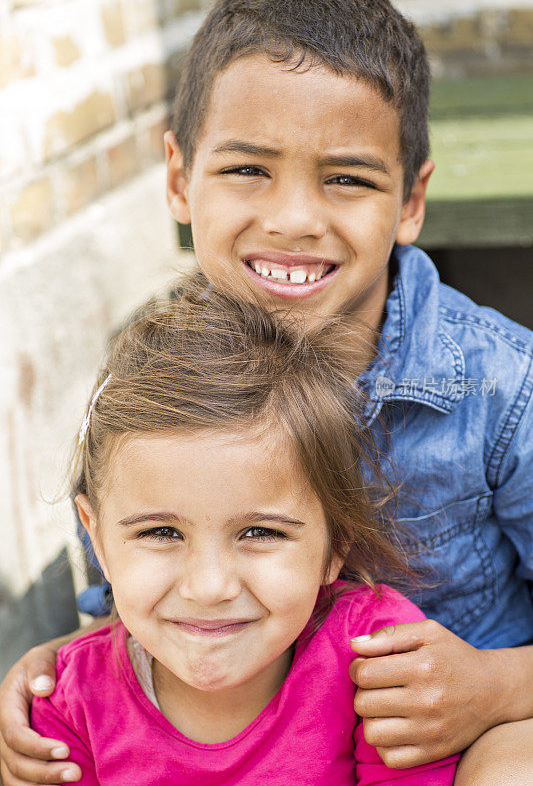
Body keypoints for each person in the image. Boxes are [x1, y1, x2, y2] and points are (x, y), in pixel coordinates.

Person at [1, 0, 532, 784]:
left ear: (410, 201)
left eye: (346, 180)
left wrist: (495, 687)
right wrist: (50, 670)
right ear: (179, 179)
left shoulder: (500, 388)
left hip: (455, 739)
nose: (291, 219)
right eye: (247, 169)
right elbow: (130, 608)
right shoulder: (145, 394)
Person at [31, 281, 458, 785]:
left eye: (260, 532)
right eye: (162, 532)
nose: (209, 588)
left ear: (335, 545)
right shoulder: (69, 706)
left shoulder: (378, 660)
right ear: (96, 538)